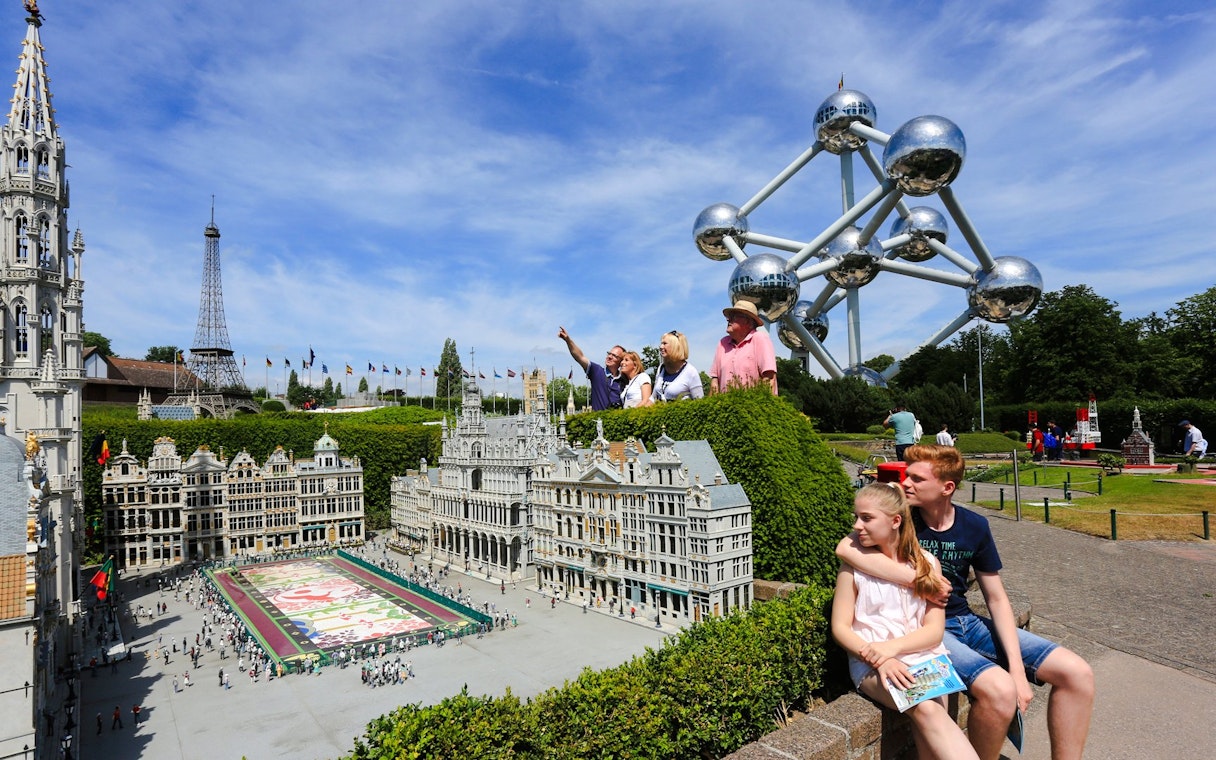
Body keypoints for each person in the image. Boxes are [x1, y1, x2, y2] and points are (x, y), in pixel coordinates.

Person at [837, 444, 1094, 760]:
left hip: (966, 621)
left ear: (947, 488)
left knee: (1077, 673)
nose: (906, 483)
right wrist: (922, 582)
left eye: (917, 479)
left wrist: (1017, 669)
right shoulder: (899, 519)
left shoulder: (974, 525)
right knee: (998, 692)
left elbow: (996, 598)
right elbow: (846, 549)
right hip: (932, 630)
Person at [831, 483, 978, 760]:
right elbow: (840, 627)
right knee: (928, 710)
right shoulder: (853, 566)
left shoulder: (927, 564)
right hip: (872, 663)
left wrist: (892, 650)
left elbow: (934, 632)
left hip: (924, 657)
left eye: (866, 518)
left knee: (932, 730)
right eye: (856, 516)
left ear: (895, 521)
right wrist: (880, 658)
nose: (857, 525)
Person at [708, 301, 777, 394]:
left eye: (734, 317)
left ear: (748, 321)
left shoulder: (760, 339)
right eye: (729, 317)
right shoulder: (722, 343)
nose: (728, 320)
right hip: (725, 406)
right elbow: (714, 381)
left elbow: (769, 379)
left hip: (753, 405)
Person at [557, 326, 623, 411]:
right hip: (599, 422)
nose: (609, 357)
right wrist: (568, 340)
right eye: (609, 353)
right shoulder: (597, 372)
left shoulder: (624, 380)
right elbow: (580, 357)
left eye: (614, 356)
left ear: (621, 361)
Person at [645, 330, 704, 403]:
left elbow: (700, 402)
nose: (661, 347)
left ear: (675, 347)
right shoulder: (661, 368)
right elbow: (653, 398)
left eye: (664, 343)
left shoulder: (690, 372)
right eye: (661, 343)